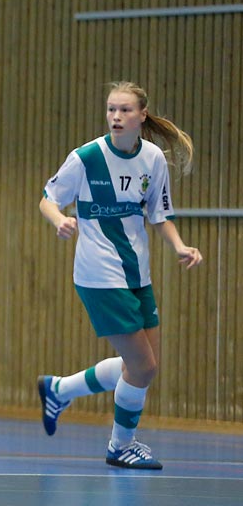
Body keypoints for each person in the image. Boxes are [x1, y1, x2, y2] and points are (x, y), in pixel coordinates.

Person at [36, 81, 203, 470]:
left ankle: (58, 389)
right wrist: (60, 219)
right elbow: (48, 198)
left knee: (144, 366)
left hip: (136, 275)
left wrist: (179, 246)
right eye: (111, 109)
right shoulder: (86, 158)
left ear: (141, 115)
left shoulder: (153, 159)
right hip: (98, 275)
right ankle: (119, 446)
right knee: (141, 367)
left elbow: (160, 214)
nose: (116, 116)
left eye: (125, 110)